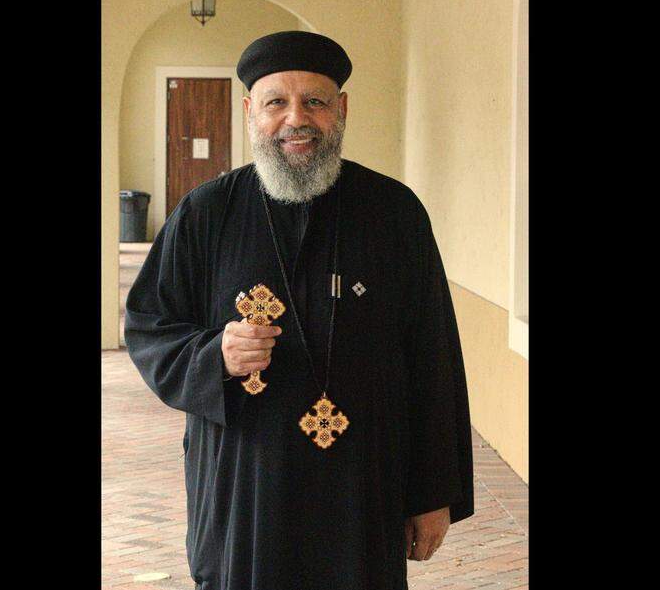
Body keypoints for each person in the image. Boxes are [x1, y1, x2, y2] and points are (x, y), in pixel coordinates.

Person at [125, 30, 474, 590]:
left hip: (363, 482)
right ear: (249, 112)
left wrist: (434, 493)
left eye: (314, 101)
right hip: (246, 482)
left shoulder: (394, 213)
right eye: (276, 103)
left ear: (341, 109)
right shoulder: (207, 212)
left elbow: (432, 358)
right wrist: (215, 354)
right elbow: (149, 327)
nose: (296, 120)